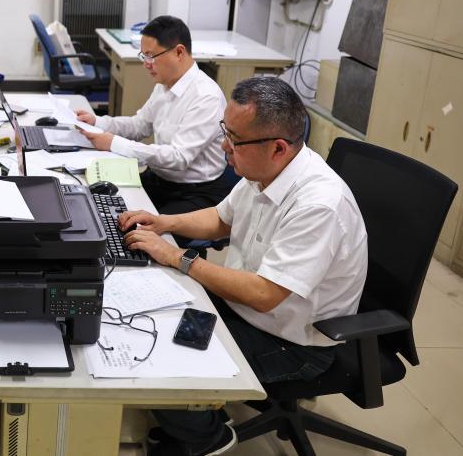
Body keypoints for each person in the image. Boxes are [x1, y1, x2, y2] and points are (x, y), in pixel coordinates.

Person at [118, 76, 368, 456]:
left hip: (291, 341)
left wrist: (175, 256)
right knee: (150, 316)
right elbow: (221, 218)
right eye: (225, 131)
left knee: (161, 358)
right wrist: (164, 222)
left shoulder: (319, 205)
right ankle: (192, 414)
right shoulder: (265, 169)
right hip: (243, 308)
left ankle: (208, 438)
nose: (224, 146)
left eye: (234, 139)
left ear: (278, 147)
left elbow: (264, 295)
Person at [75, 16, 231, 220]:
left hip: (195, 192)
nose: (146, 64)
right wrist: (98, 122)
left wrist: (114, 143)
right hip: (160, 179)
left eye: (151, 56)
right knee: (101, 203)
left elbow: (178, 157)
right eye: (144, 56)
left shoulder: (206, 97)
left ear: (179, 52)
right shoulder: (165, 85)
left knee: (141, 230)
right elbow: (139, 125)